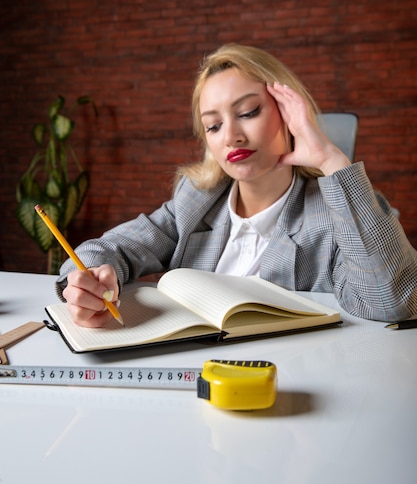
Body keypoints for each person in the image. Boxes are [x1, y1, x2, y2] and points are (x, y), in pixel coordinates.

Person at [57, 43, 417, 327]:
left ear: (289, 112)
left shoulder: (336, 214)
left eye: (247, 113)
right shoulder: (196, 201)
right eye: (213, 126)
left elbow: (391, 301)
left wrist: (331, 161)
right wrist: (86, 279)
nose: (231, 136)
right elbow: (113, 247)